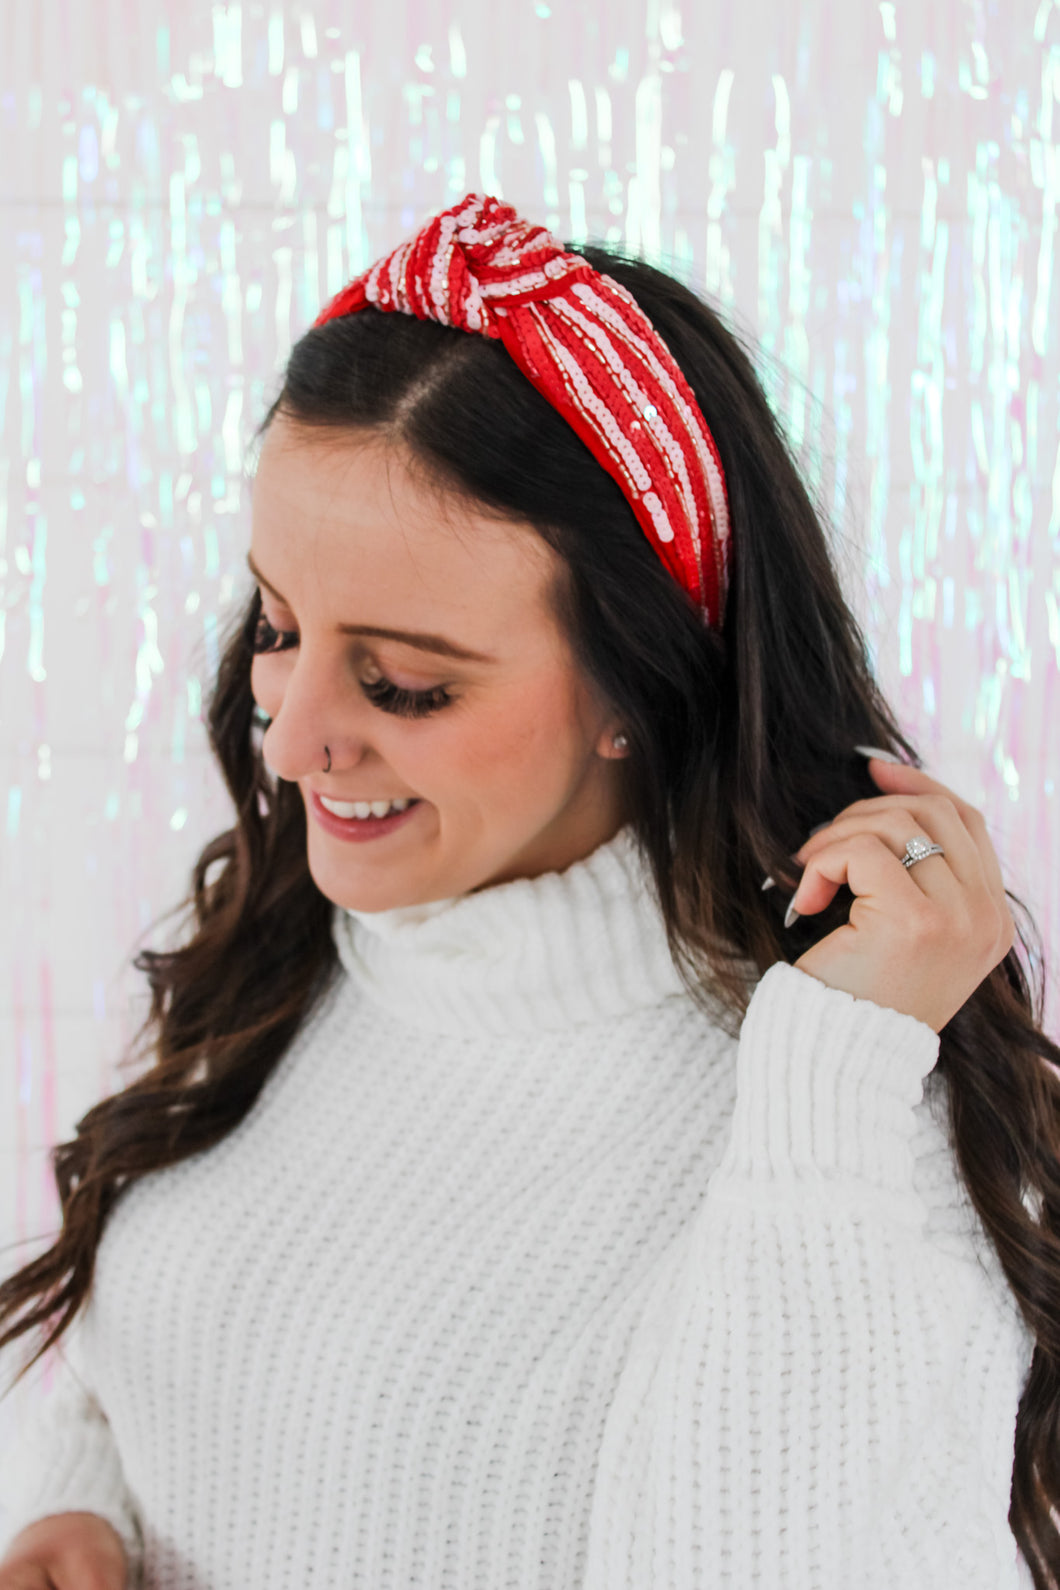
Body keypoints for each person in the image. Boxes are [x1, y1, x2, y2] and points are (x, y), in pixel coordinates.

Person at [0, 192, 1057, 1590]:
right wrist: (85, 1513)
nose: (292, 733)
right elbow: (221, 1351)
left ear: (637, 678)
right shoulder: (304, 944)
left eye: (405, 682)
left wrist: (841, 1066)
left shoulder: (848, 1124)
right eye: (278, 625)